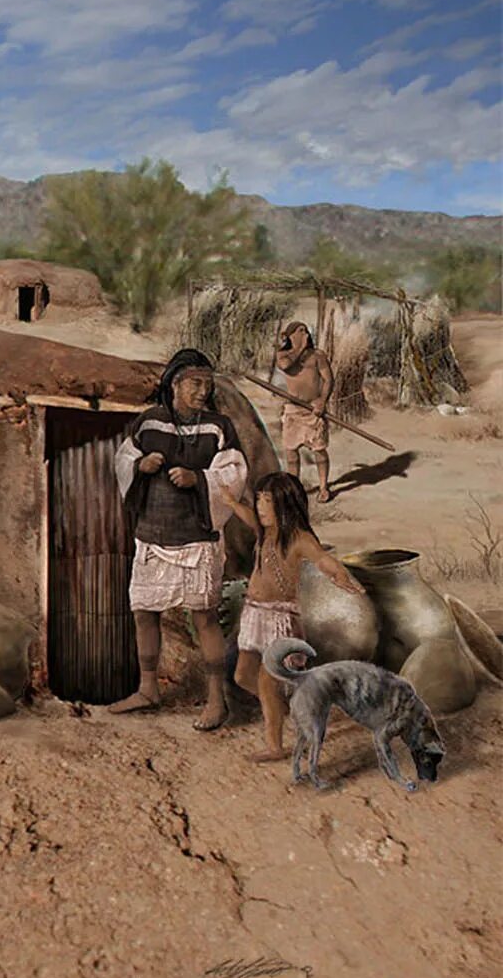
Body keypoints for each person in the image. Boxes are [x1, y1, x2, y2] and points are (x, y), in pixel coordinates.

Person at [109, 349, 249, 729]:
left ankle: (217, 700)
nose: (202, 391)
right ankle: (148, 688)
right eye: (194, 383)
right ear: (175, 384)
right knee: (143, 613)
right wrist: (141, 465)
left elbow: (235, 472)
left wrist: (199, 479)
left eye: (207, 383)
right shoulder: (149, 422)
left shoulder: (218, 427)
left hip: (195, 539)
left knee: (204, 618)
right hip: (153, 536)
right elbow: (122, 461)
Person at [224, 472, 365, 761]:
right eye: (260, 499)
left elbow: (324, 560)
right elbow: (247, 515)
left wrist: (342, 577)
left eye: (269, 501)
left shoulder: (299, 538)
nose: (261, 507)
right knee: (242, 676)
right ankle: (284, 705)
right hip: (255, 615)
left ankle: (275, 746)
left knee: (266, 681)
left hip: (280, 621)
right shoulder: (264, 531)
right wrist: (228, 500)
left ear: (285, 504)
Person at [276, 321, 335, 502]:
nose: (305, 333)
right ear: (289, 335)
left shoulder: (318, 355)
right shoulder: (283, 355)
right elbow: (286, 366)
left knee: (319, 450)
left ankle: (324, 487)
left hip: (313, 411)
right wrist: (299, 346)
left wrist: (322, 401)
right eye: (299, 331)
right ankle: (294, 487)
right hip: (293, 411)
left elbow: (328, 380)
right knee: (291, 453)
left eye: (305, 330)